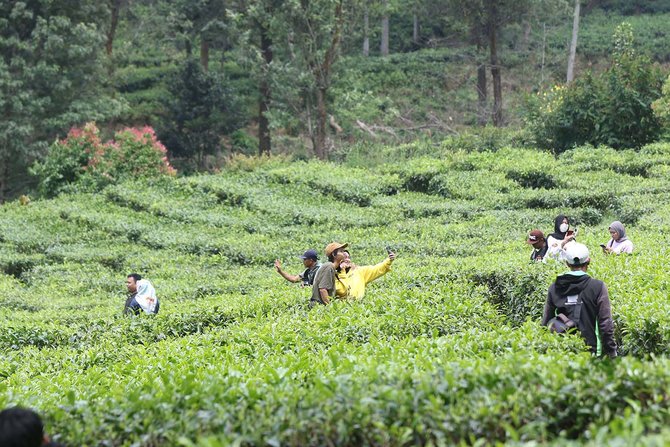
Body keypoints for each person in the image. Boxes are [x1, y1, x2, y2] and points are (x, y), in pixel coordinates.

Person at [542, 243, 617, 358]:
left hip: (563, 351)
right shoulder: (598, 287)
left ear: (567, 263)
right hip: (592, 352)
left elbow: (546, 321)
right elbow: (605, 324)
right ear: (589, 261)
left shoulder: (554, 287)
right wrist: (611, 352)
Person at [310, 242, 347, 307]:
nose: (344, 253)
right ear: (334, 254)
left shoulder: (332, 267)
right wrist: (329, 307)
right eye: (341, 251)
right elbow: (323, 289)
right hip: (318, 306)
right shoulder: (329, 266)